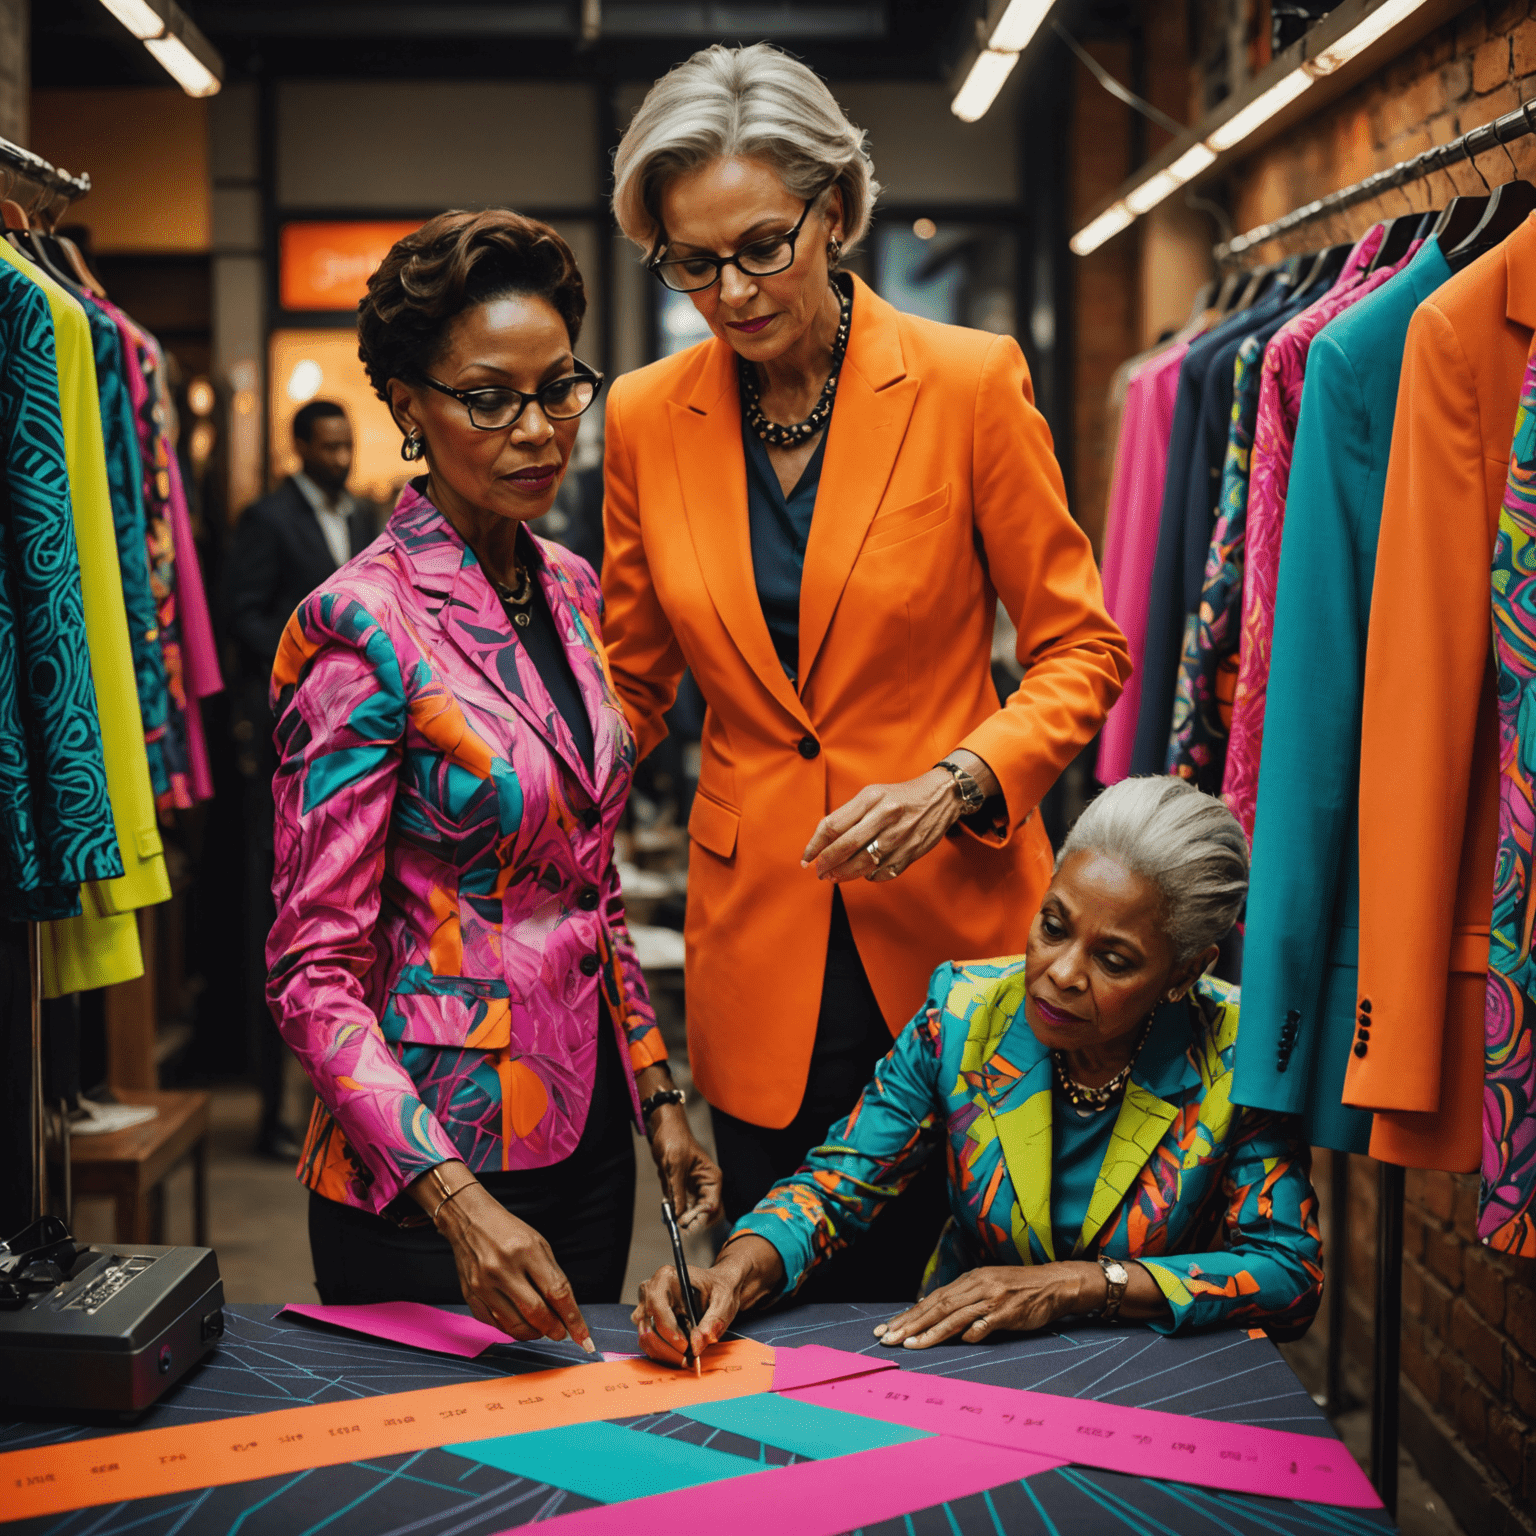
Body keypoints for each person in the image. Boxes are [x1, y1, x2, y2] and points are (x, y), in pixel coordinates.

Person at [602, 43, 1130, 1298]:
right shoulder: (640, 414)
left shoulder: (966, 384)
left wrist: (957, 782)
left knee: (970, 1315)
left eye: (762, 245)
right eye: (692, 260)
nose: (729, 290)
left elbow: (1081, 647)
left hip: (960, 929)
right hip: (758, 942)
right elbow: (631, 685)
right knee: (781, 1321)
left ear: (835, 210)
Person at [266, 209, 721, 1338]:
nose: (538, 430)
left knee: (579, 1482)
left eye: (560, 389)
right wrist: (458, 1206)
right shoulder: (358, 628)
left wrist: (658, 1090)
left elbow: (588, 878)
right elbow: (310, 973)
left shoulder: (570, 588)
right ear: (410, 404)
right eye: (490, 397)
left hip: (589, 1133)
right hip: (426, 1176)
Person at [634, 777, 1323, 1358]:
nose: (1060, 973)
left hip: (1150, 1369)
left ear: (1186, 971)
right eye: (1053, 925)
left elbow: (1289, 1275)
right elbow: (836, 1185)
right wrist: (729, 1272)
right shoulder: (965, 1012)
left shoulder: (1235, 1054)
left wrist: (1077, 1285)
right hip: (973, 1363)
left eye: (1113, 960)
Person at [226, 401, 380, 1161]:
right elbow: (241, 614)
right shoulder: (267, 520)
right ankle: (273, 1115)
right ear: (300, 448)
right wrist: (311, 650)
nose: (343, 456)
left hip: (357, 750)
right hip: (292, 744)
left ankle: (340, 1104)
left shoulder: (365, 520)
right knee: (290, 928)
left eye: (348, 443)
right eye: (329, 445)